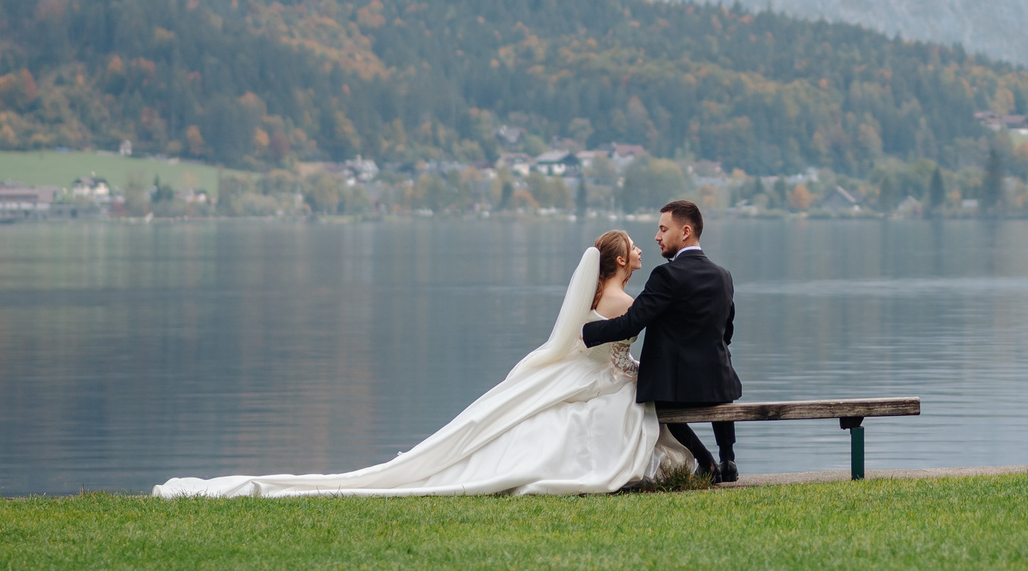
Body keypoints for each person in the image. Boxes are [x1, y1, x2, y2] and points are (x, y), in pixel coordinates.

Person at [153, 230, 697, 498]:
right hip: (603, 379)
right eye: (636, 249)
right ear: (621, 261)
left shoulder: (603, 295)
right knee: (605, 420)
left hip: (592, 372)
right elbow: (623, 339)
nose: (644, 251)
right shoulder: (622, 301)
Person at [583, 200, 742, 483]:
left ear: (685, 231)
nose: (657, 237)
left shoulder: (666, 275)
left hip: (674, 387)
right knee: (720, 384)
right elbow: (726, 333)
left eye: (663, 229)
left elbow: (632, 323)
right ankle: (728, 459)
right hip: (719, 382)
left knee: (657, 408)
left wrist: (588, 333)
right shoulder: (723, 276)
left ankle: (706, 460)